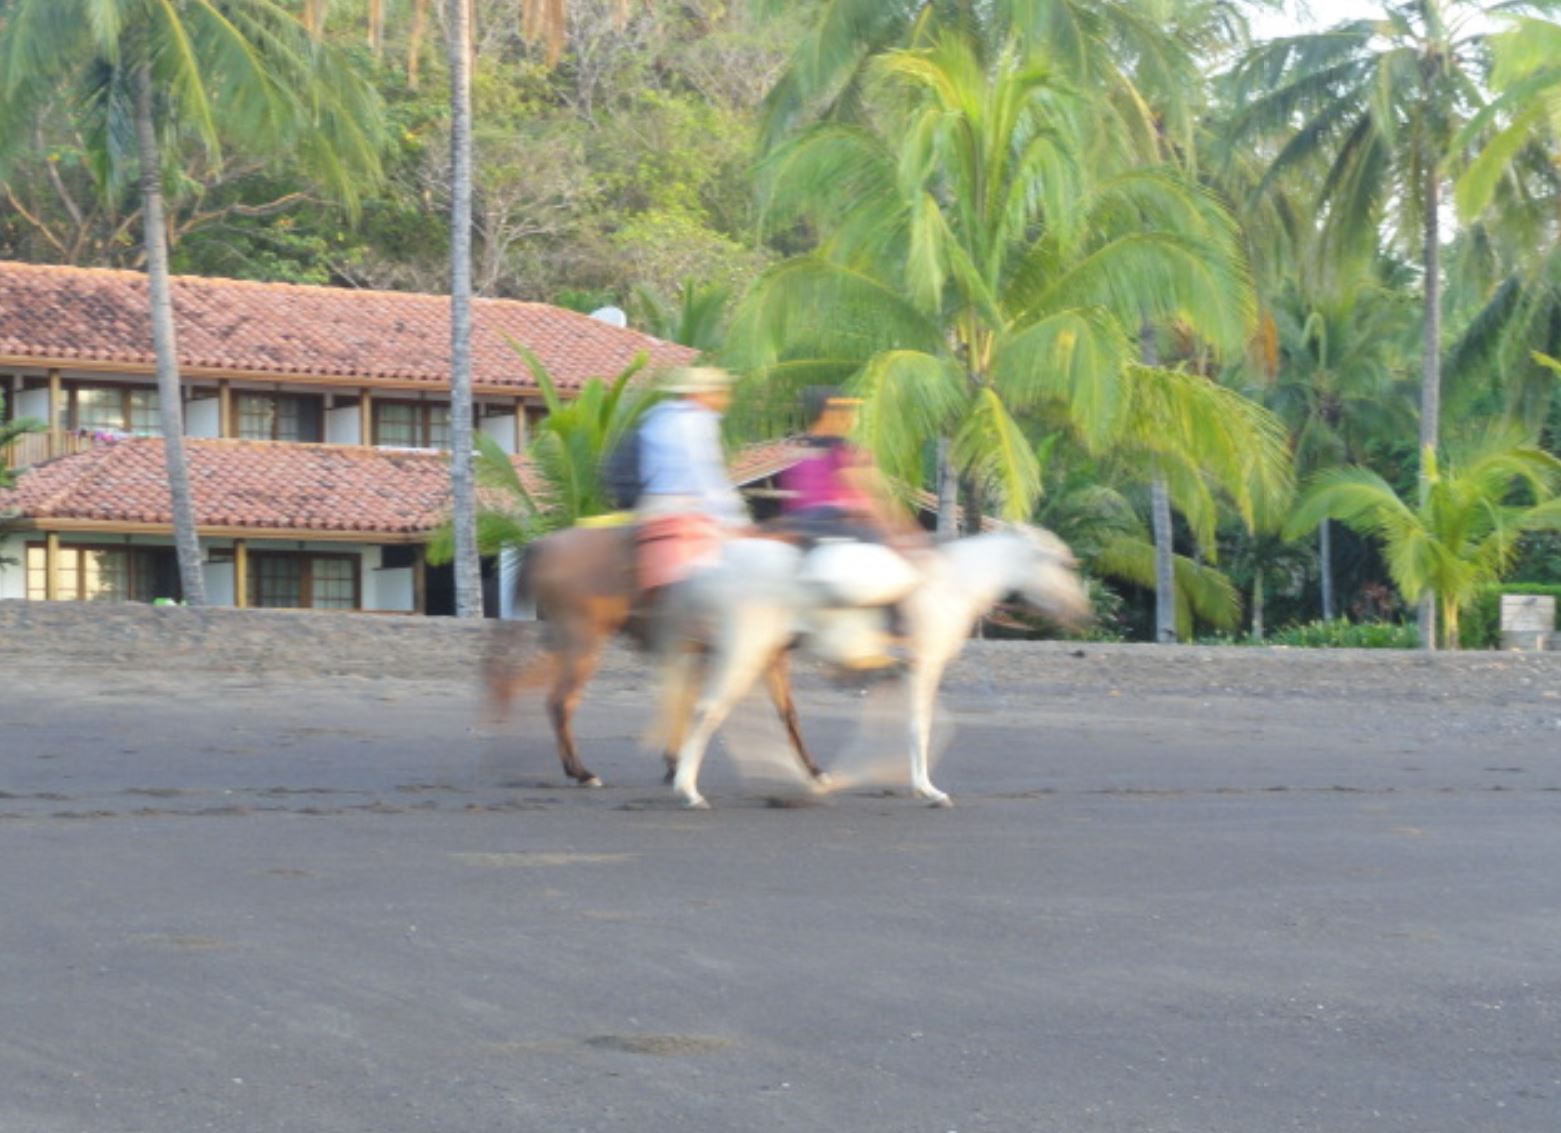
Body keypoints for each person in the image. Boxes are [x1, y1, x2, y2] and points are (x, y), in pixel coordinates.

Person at [633, 366, 747, 600]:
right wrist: (735, 517)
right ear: (698, 394)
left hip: (652, 503)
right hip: (685, 505)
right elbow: (705, 473)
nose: (724, 399)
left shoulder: (658, 417)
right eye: (718, 392)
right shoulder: (698, 421)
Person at [776, 387, 915, 547]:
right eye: (845, 411)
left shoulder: (794, 449)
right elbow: (875, 499)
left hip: (800, 528)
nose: (851, 416)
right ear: (828, 414)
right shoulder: (845, 451)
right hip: (834, 526)